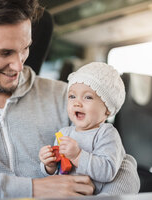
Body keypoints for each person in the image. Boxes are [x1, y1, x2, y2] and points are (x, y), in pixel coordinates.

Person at [0, 0, 140, 199]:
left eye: (25, 48)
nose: (19, 65)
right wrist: (32, 189)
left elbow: (121, 163)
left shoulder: (65, 96)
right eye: (4, 53)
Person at [39, 62, 126, 194]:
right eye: (72, 96)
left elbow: (108, 172)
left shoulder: (107, 133)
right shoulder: (63, 133)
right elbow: (56, 173)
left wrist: (78, 156)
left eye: (88, 97)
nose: (77, 103)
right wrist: (49, 165)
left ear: (107, 109)